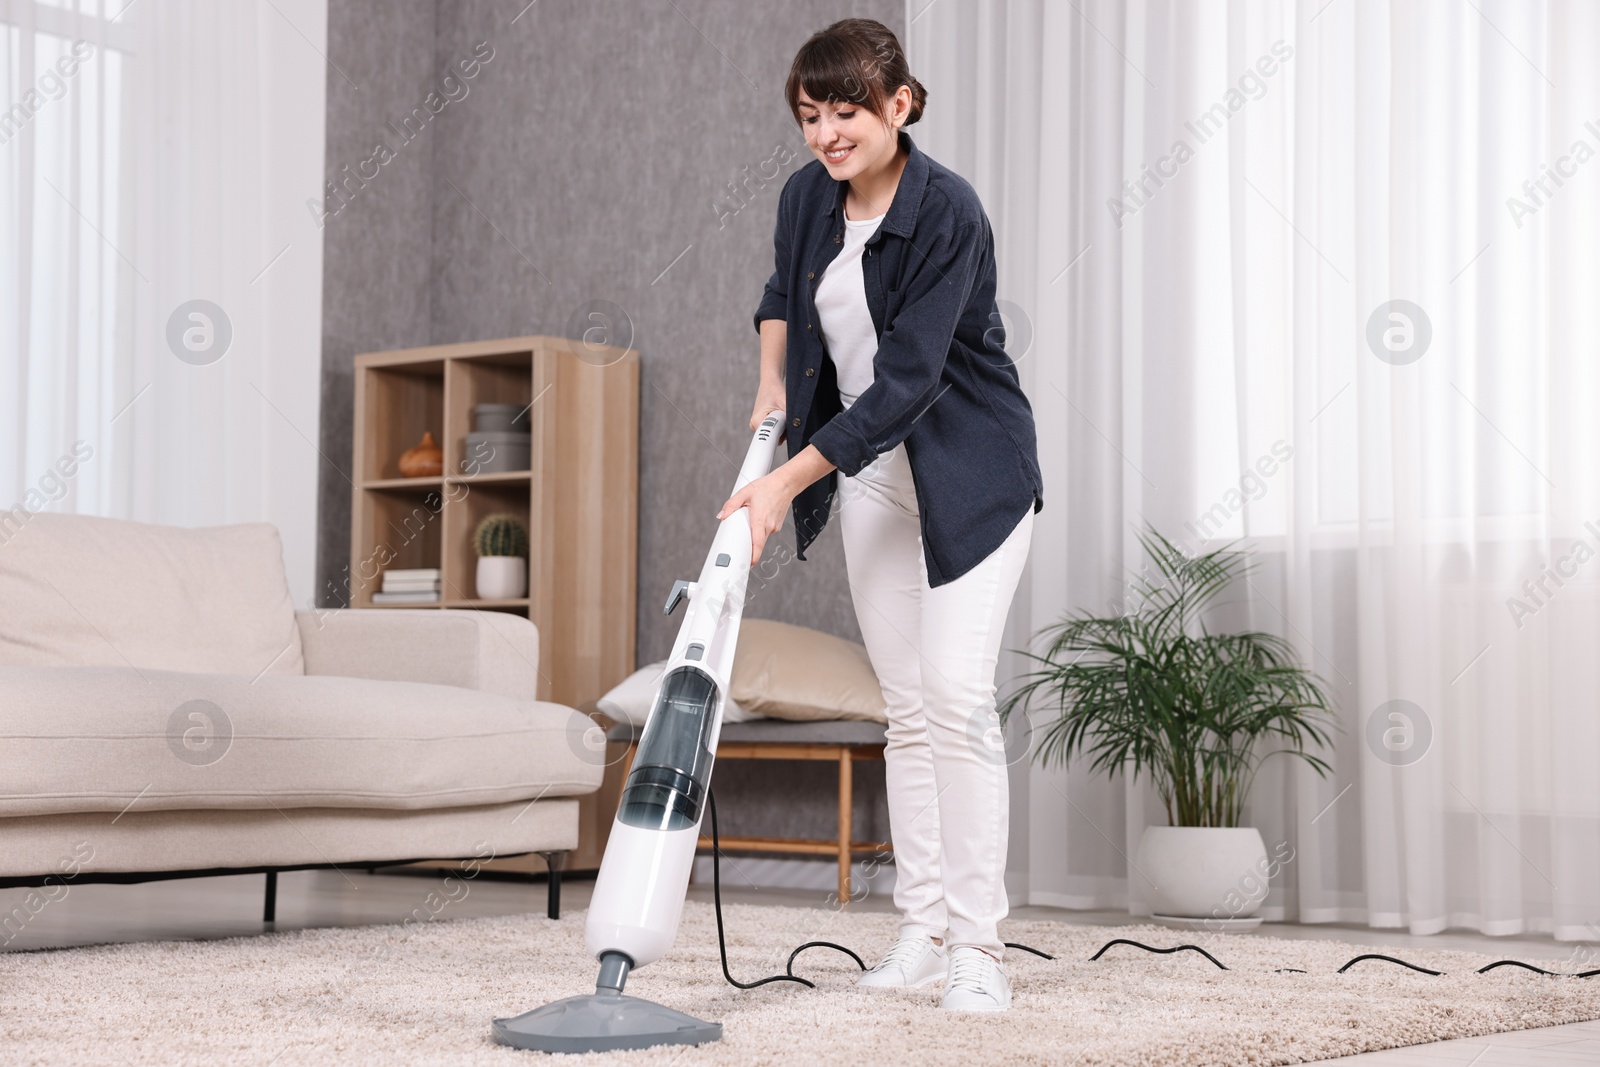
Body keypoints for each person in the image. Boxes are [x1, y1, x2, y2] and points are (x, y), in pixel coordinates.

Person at [716, 18, 1043, 1013]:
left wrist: (784, 483)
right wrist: (771, 385)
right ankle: (922, 929)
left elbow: (904, 386)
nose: (827, 133)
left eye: (846, 110)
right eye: (811, 115)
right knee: (904, 707)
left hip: (970, 472)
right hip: (869, 477)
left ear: (900, 104)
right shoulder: (805, 198)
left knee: (952, 692)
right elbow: (781, 293)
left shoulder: (947, 210)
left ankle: (979, 948)